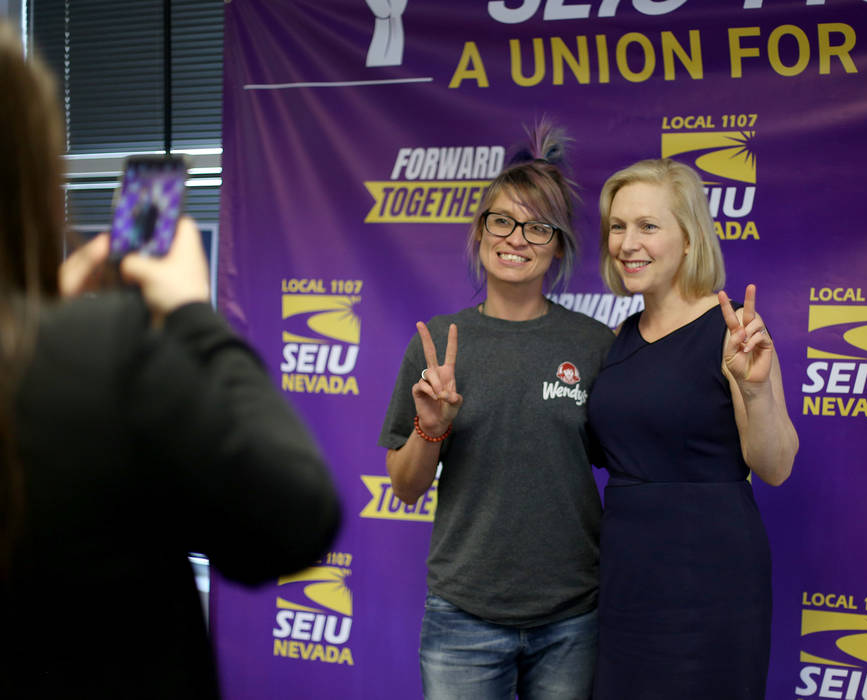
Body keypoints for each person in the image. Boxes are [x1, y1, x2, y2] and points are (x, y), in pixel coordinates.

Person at [0, 23, 341, 698]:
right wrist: (189, 313)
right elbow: (294, 518)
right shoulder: (102, 351)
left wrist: (48, 318)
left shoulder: (75, 348)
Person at [378, 124, 614, 699]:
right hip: (463, 614)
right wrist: (429, 432)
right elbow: (406, 488)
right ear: (481, 232)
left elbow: (629, 461)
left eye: (539, 226)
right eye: (502, 220)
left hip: (571, 616)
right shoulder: (435, 344)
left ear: (558, 245)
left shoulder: (595, 344)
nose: (517, 238)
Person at [587, 158, 798, 699]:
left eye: (648, 226)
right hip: (626, 577)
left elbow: (774, 466)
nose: (628, 242)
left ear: (689, 239)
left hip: (712, 577)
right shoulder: (617, 338)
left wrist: (752, 388)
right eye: (618, 225)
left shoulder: (734, 331)